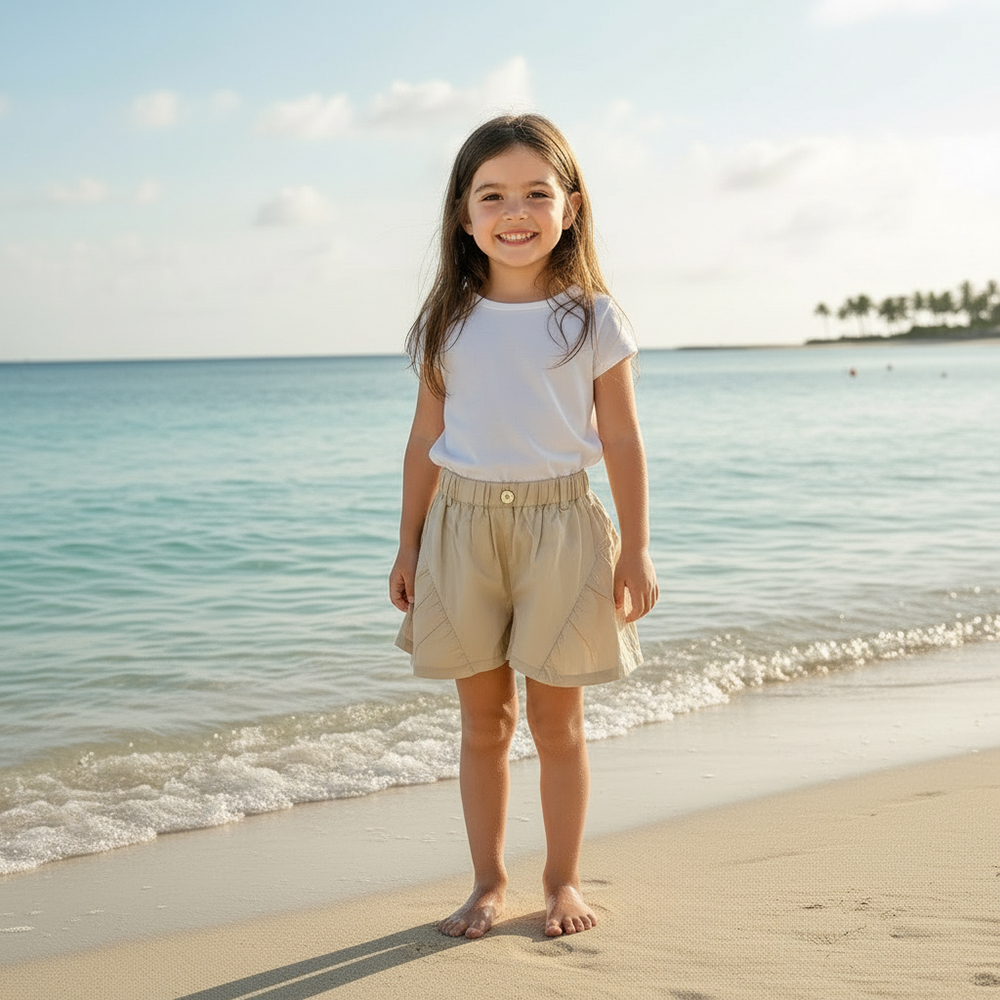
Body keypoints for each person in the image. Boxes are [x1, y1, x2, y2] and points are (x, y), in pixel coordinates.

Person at [389, 113, 658, 940]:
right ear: (464, 215)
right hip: (460, 529)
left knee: (557, 723)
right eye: (493, 195)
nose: (516, 212)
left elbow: (622, 439)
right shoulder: (448, 320)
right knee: (484, 724)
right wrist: (408, 542)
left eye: (537, 194)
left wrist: (637, 549)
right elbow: (424, 441)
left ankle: (563, 881)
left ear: (570, 208)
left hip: (563, 527)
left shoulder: (593, 318)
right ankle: (487, 883)